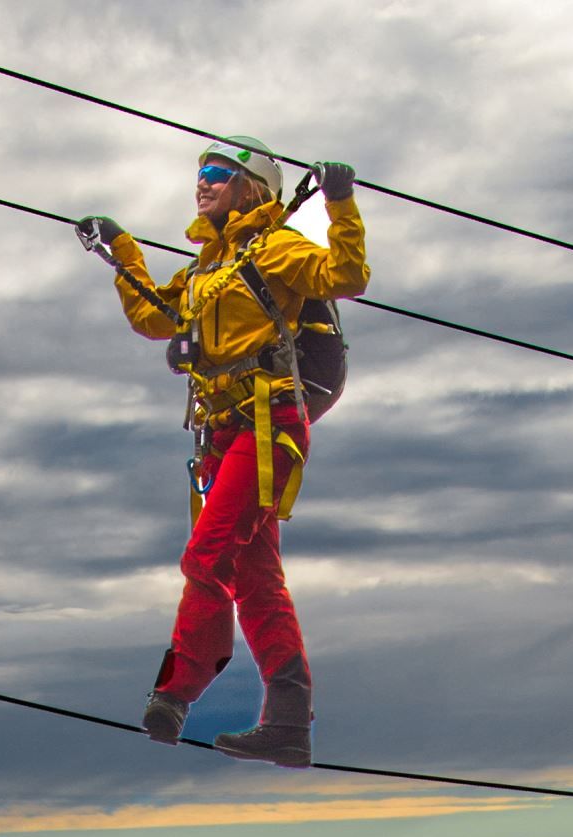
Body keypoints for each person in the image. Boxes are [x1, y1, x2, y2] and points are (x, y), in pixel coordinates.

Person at [77, 137, 369, 768]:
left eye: (216, 173)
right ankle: (289, 724)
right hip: (225, 436)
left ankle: (176, 693)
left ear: (251, 188)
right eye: (199, 174)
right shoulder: (206, 271)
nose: (201, 183)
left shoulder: (278, 247)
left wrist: (340, 202)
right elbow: (155, 316)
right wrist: (120, 247)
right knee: (256, 582)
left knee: (205, 559)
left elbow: (347, 277)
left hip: (269, 428)